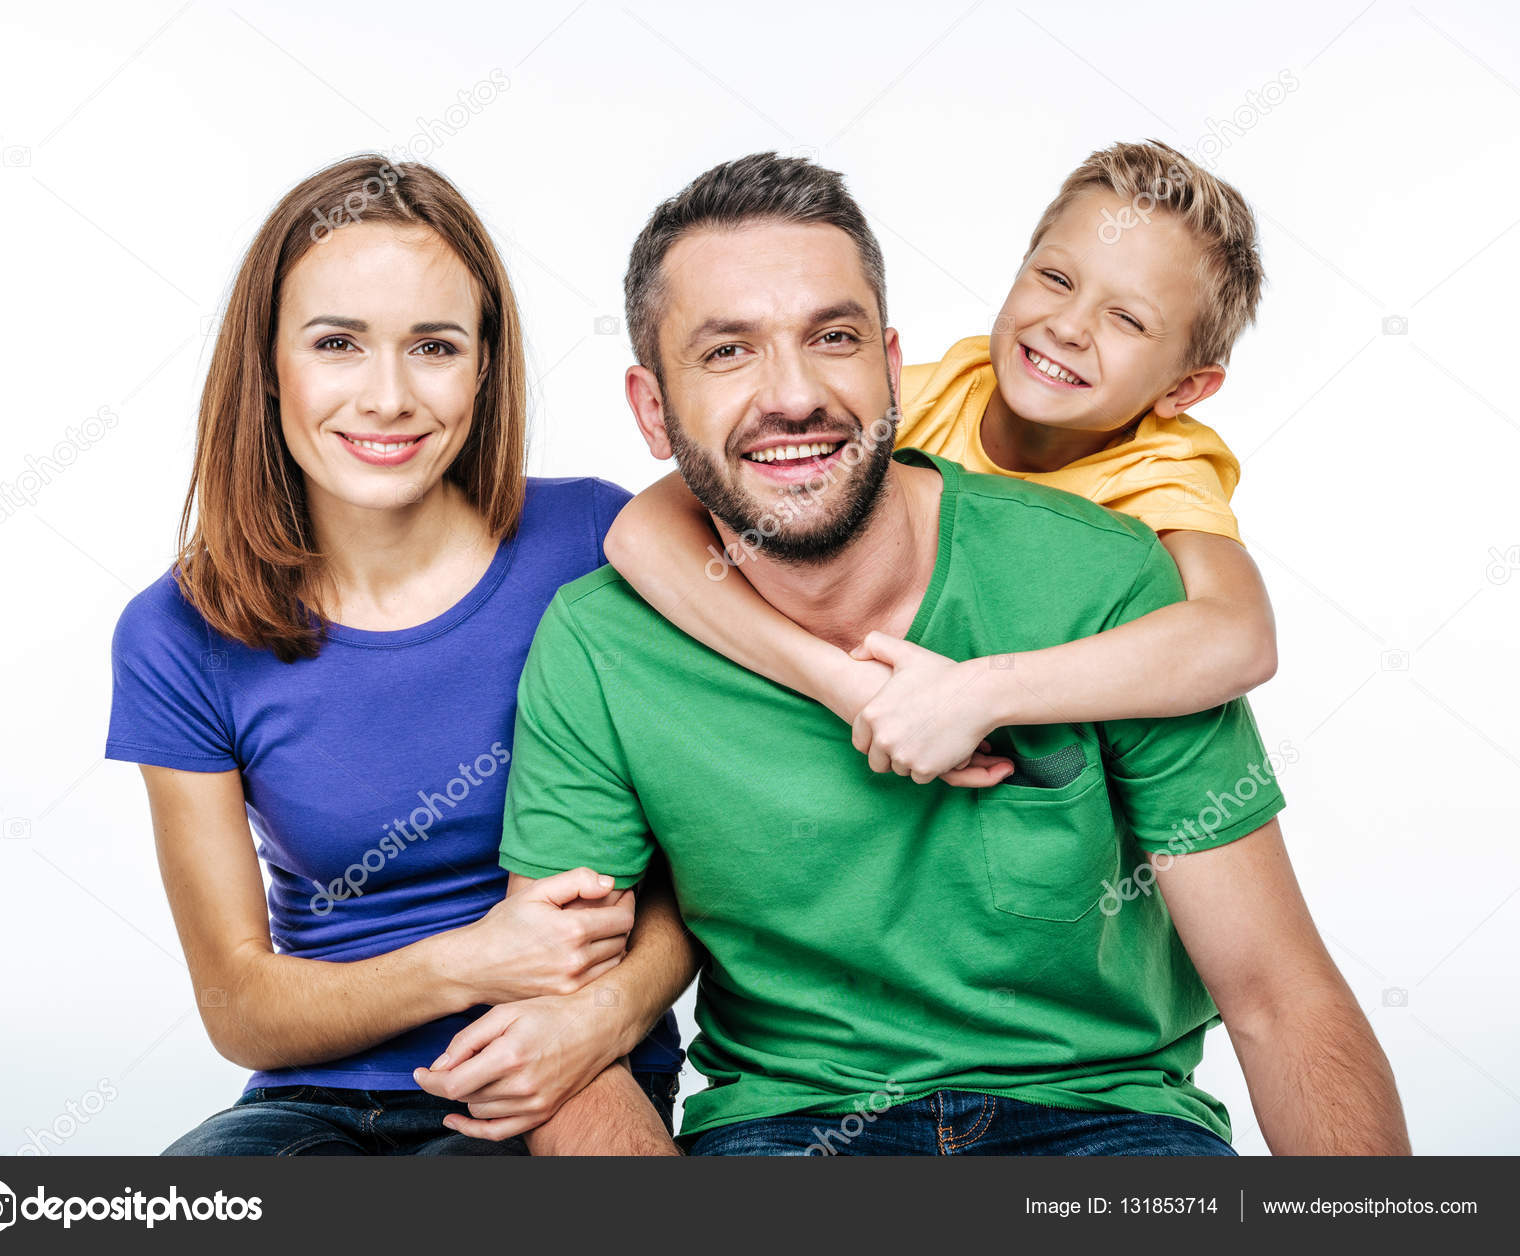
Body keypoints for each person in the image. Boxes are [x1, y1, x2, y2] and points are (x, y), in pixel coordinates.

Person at [488, 152, 1410, 1155]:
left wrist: (986, 690)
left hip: (1105, 1122)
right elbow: (557, 1027)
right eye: (728, 351)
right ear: (650, 409)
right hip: (792, 1128)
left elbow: (1277, 992)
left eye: (831, 337)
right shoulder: (603, 640)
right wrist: (839, 680)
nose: (791, 392)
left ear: (889, 364)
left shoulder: (1127, 562)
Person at [105, 154, 685, 1156]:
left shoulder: (598, 541)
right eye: (337, 343)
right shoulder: (176, 632)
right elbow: (239, 1004)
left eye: (434, 346)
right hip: (314, 1099)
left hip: (562, 1068)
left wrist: (607, 1014)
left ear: (484, 366)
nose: (388, 397)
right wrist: (472, 960)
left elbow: (701, 868)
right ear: (267, 363)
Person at [604, 141, 1277, 787]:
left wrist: (981, 694)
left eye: (1127, 319)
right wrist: (839, 683)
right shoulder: (925, 395)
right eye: (1055, 279)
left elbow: (1239, 639)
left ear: (1184, 389)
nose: (1068, 327)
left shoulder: (1163, 470)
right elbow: (641, 532)